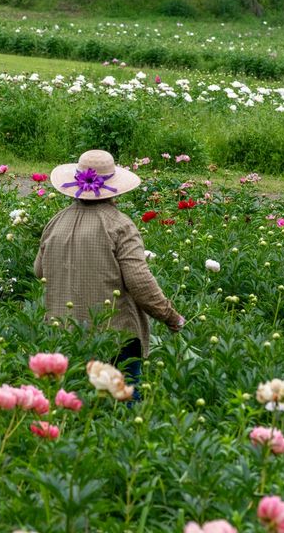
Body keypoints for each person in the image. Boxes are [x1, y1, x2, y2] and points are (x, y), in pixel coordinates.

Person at [33, 149, 185, 395]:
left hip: (62, 335)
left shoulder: (56, 222)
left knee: (76, 407)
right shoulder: (119, 225)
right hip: (114, 337)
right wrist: (170, 317)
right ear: (113, 187)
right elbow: (140, 283)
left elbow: (39, 270)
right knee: (121, 409)